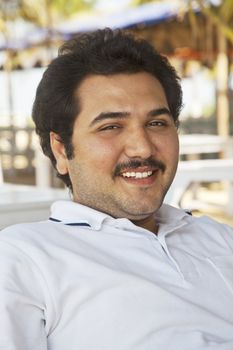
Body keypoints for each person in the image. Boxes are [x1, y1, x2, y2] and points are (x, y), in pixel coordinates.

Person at [0, 28, 233, 350]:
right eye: (111, 127)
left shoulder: (218, 237)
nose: (141, 148)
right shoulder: (23, 257)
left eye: (157, 123)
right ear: (61, 150)